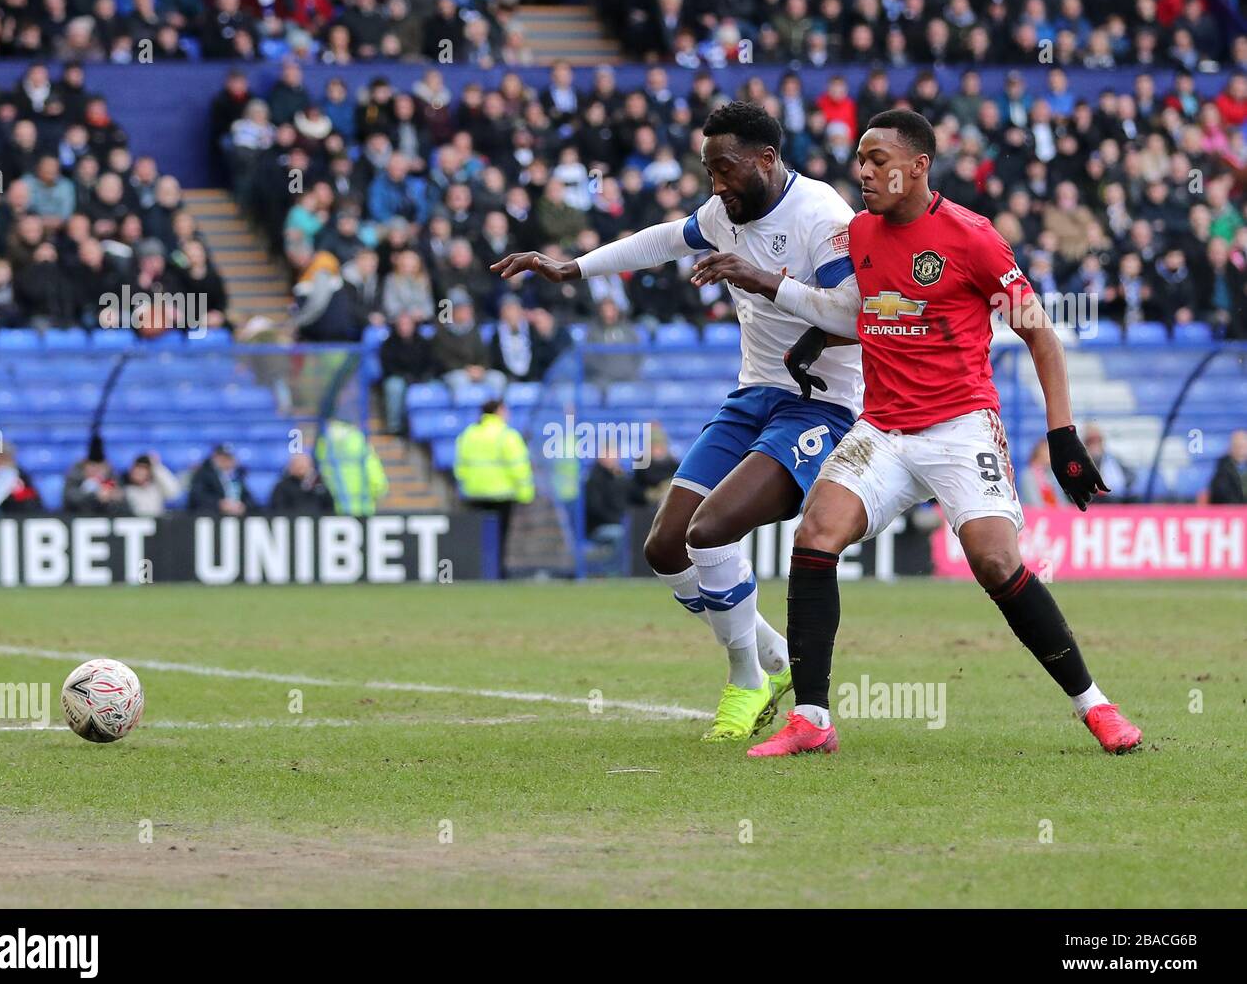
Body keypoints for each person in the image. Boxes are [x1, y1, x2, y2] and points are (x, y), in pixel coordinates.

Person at [749, 110, 1141, 759]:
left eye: (878, 160)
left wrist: (1062, 432)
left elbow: (1039, 332)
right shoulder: (861, 235)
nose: (864, 171)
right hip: (883, 428)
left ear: (918, 165)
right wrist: (816, 336)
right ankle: (812, 718)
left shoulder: (973, 239)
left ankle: (1095, 704)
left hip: (961, 426)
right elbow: (872, 309)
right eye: (860, 159)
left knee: (995, 561)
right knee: (816, 533)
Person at [492, 101, 863, 741]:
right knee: (666, 546)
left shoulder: (824, 217)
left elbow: (858, 316)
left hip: (821, 403)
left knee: (711, 530)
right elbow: (665, 239)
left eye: (725, 168)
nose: (715, 184)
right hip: (753, 397)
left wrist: (763, 279)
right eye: (707, 169)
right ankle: (773, 657)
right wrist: (574, 268)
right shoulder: (723, 214)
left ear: (767, 160)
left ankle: (747, 676)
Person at [454, 400, 534, 559]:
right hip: (502, 494)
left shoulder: (469, 434)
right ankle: (496, 572)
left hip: (474, 494)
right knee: (500, 536)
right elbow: (519, 467)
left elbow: (460, 467)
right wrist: (526, 494)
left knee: (478, 537)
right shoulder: (507, 435)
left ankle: (479, 571)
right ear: (499, 411)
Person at [313, 419, 388, 515]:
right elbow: (378, 483)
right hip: (361, 510)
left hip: (330, 512)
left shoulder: (323, 441)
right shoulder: (359, 439)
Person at [188, 444, 257, 515]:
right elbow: (196, 497)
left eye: (229, 457)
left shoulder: (238, 475)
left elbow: (250, 499)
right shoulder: (203, 473)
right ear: (215, 457)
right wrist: (219, 504)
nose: (226, 461)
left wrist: (243, 506)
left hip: (235, 517)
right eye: (222, 457)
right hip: (211, 516)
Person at [271, 453, 336, 513]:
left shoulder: (319, 484)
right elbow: (278, 509)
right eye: (298, 465)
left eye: (304, 464)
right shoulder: (282, 487)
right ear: (291, 467)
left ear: (311, 466)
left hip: (317, 522)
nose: (301, 467)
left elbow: (329, 507)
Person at [122, 453, 182, 517]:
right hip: (133, 524)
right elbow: (111, 484)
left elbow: (175, 492)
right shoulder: (124, 488)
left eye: (143, 469)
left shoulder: (156, 488)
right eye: (137, 468)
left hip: (157, 523)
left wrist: (157, 466)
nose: (139, 472)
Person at [1208, 429, 1247, 504]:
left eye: (1243, 446)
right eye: (1237, 446)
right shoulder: (1223, 465)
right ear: (1231, 448)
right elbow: (1221, 491)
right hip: (1231, 509)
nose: (1240, 450)